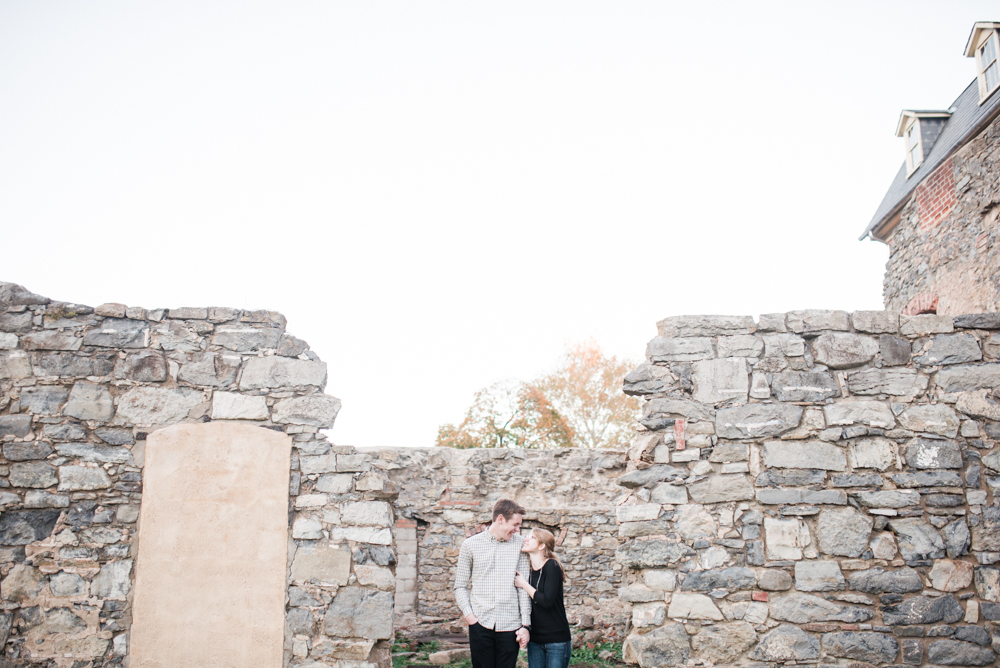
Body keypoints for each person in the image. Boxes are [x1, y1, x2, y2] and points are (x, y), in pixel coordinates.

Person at [454, 498, 532, 668]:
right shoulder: (470, 545)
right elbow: (460, 586)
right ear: (500, 519)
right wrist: (470, 616)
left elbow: (523, 588)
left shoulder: (520, 545)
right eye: (515, 524)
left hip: (511, 625)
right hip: (480, 623)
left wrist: (525, 625)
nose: (518, 529)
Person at [513, 528, 571, 668]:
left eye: (531, 537)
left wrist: (524, 585)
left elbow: (547, 601)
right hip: (535, 640)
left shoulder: (552, 566)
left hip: (556, 640)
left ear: (541, 546)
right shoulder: (527, 570)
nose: (525, 539)